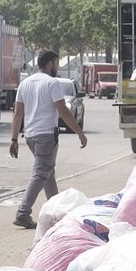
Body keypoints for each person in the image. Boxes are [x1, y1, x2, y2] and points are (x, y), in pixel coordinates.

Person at [10, 50, 87, 229]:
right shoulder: (52, 83)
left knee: (48, 173)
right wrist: (79, 132)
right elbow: (63, 111)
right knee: (41, 172)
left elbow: (17, 113)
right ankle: (23, 212)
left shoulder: (25, 83)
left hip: (29, 135)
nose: (58, 67)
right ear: (50, 64)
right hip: (45, 135)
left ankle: (56, 210)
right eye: (57, 63)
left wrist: (14, 139)